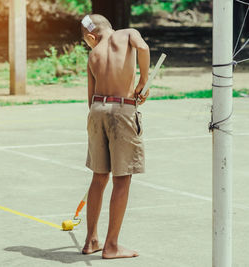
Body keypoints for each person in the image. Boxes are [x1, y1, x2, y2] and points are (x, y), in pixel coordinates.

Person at [80, 14, 150, 259]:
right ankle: (111, 246)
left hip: (97, 110)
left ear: (91, 36)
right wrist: (142, 81)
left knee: (99, 177)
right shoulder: (128, 33)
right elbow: (143, 47)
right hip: (122, 109)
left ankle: (91, 240)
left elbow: (91, 97)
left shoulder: (92, 54)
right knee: (122, 179)